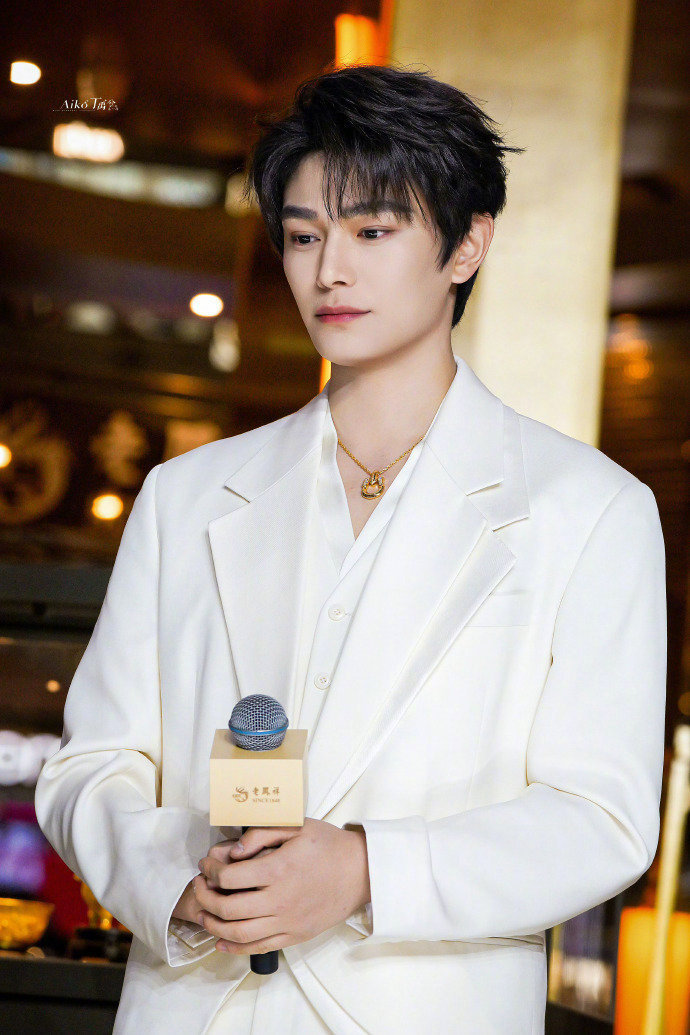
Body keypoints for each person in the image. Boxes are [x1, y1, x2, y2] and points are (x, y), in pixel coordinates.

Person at [34, 64, 667, 1034]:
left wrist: (370, 869)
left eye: (372, 231)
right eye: (303, 235)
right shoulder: (186, 497)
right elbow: (93, 764)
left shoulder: (591, 509)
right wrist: (177, 881)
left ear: (467, 244)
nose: (329, 269)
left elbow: (604, 817)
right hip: (197, 1006)